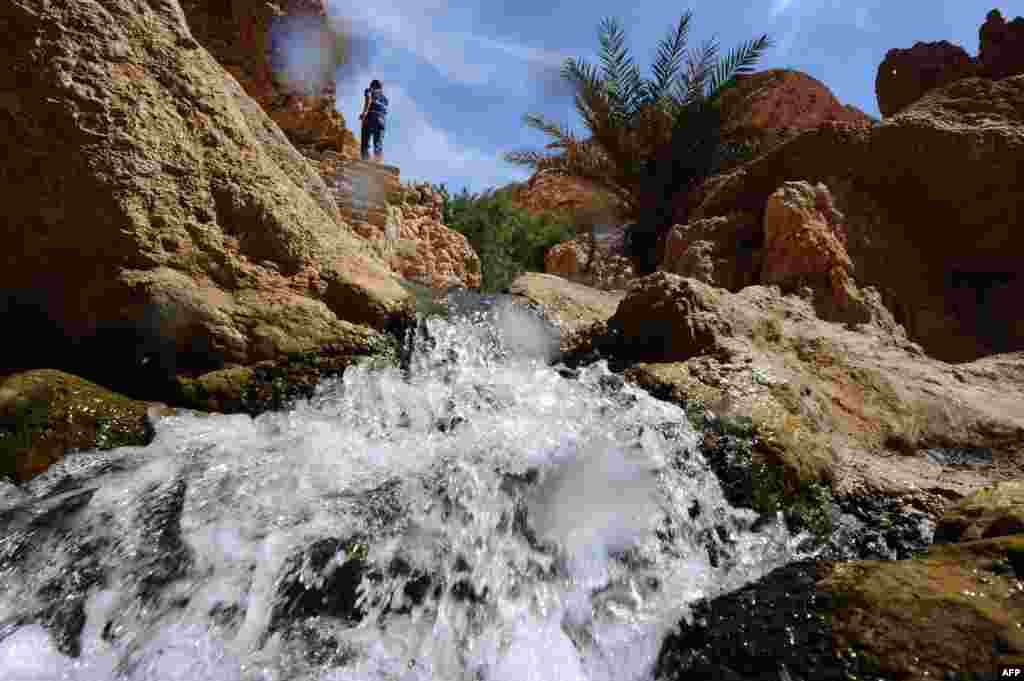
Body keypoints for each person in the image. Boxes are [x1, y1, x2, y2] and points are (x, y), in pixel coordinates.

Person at [359, 79, 388, 162]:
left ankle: (365, 160)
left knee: (365, 141)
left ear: (372, 86)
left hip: (371, 117)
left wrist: (364, 113)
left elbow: (368, 100)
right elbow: (384, 111)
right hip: (381, 121)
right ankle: (378, 161)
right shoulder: (385, 99)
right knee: (378, 143)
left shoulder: (370, 91)